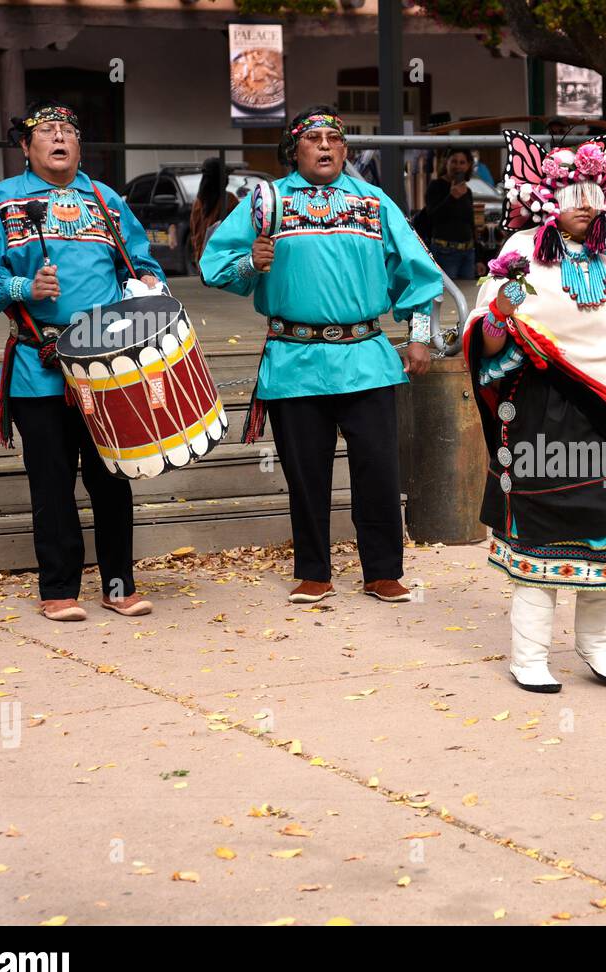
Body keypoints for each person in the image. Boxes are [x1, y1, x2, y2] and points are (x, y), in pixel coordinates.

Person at [461, 131, 606, 694]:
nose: (584, 203)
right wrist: (501, 307)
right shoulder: (515, 258)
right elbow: (485, 343)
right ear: (546, 197)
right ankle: (530, 656)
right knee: (539, 540)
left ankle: (598, 647)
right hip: (540, 413)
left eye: (594, 191)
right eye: (572, 192)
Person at [200, 105, 443, 606]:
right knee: (305, 473)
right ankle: (313, 570)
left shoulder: (373, 202)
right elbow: (214, 265)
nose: (326, 146)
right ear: (295, 150)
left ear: (346, 150)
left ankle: (382, 571)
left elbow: (416, 270)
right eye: (314, 139)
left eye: (335, 137)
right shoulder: (266, 202)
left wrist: (419, 334)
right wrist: (251, 261)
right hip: (294, 357)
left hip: (365, 355)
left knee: (378, 470)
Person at [0, 102, 163, 621]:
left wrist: (149, 283)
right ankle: (59, 589)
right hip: (37, 364)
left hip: (109, 363)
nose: (60, 138)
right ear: (26, 146)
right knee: (51, 482)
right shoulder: (0, 202)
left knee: (113, 477)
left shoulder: (106, 200)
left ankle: (117, 584)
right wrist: (21, 286)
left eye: (68, 130)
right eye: (47, 131)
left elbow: (142, 258)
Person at [423, 147, 477, 279]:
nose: (457, 166)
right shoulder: (435, 186)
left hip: (468, 253)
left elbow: (470, 223)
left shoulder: (467, 191)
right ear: (446, 163)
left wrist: (478, 257)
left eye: (462, 162)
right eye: (454, 161)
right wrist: (451, 197)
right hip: (444, 252)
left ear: (468, 165)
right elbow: (431, 218)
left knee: (468, 295)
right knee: (448, 296)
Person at [188, 157, 239, 267]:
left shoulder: (198, 202)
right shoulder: (229, 200)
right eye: (226, 175)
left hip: (203, 262)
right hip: (223, 262)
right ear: (220, 177)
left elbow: (195, 236)